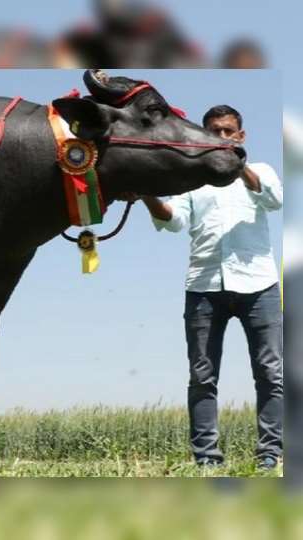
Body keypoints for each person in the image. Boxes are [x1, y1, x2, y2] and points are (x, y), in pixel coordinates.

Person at [139, 105, 283, 469]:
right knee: (202, 376)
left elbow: (274, 199)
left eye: (228, 132)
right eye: (214, 132)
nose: (221, 138)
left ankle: (270, 455)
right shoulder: (190, 181)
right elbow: (173, 221)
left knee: (271, 372)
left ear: (240, 136)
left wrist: (236, 164)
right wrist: (144, 193)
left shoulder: (261, 170)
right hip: (203, 287)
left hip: (259, 287)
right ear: (202, 136)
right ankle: (207, 460)